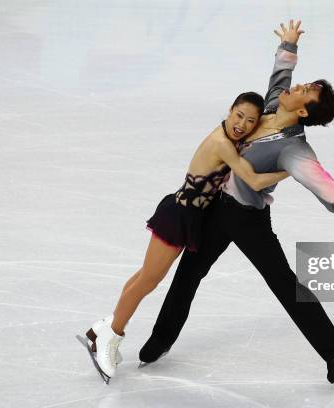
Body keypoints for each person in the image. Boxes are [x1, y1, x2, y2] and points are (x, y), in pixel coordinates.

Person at [138, 20, 334, 387]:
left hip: (249, 220)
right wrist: (289, 46)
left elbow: (318, 178)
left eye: (305, 93)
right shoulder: (271, 107)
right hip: (218, 209)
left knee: (284, 285)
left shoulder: (294, 149)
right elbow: (281, 74)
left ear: (302, 112)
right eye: (304, 85)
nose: (296, 88)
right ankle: (159, 342)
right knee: (188, 274)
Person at [83, 92, 289, 383]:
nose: (242, 123)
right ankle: (110, 337)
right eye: (238, 115)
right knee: (148, 280)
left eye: (250, 120)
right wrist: (289, 169)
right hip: (178, 216)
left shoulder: (236, 137)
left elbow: (271, 116)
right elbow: (253, 180)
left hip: (193, 218)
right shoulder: (222, 142)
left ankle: (105, 328)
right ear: (230, 110)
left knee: (145, 276)